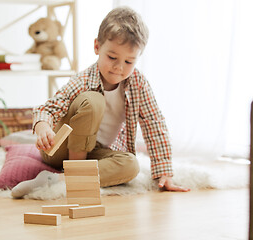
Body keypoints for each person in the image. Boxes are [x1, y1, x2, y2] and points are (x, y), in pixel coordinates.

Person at [11, 6, 190, 198]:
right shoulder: (85, 79)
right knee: (93, 100)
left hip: (95, 152)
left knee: (131, 165)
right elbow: (49, 107)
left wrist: (164, 171)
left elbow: (154, 123)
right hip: (61, 149)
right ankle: (75, 173)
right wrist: (43, 127)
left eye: (129, 62)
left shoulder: (138, 84)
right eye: (112, 57)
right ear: (97, 47)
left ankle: (55, 180)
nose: (119, 68)